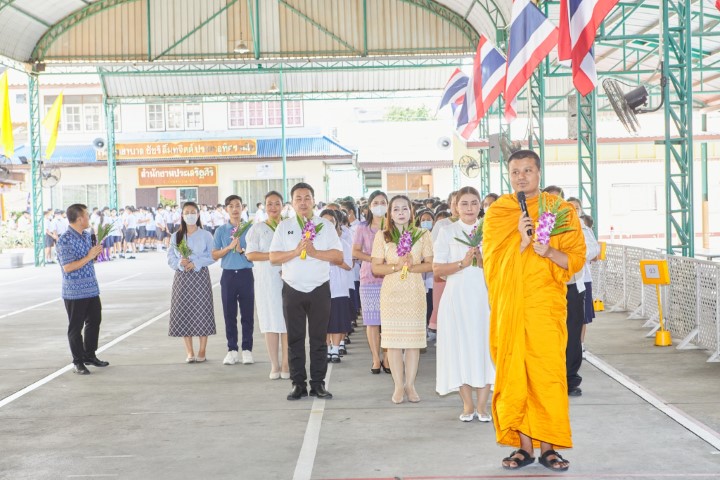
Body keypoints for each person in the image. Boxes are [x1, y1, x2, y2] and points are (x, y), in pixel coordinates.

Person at [482, 150, 586, 472]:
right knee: (516, 375)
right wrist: (521, 242)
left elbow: (575, 260)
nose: (521, 177)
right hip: (511, 308)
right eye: (515, 171)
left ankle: (549, 448)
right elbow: (491, 263)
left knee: (547, 377)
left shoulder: (560, 210)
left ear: (539, 173)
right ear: (509, 175)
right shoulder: (500, 212)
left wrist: (549, 250)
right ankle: (524, 447)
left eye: (527, 170)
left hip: (545, 308)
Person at [269, 182, 343, 401]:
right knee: (295, 339)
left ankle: (318, 384)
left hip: (319, 288)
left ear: (314, 200)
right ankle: (298, 384)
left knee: (319, 339)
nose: (303, 202)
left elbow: (338, 256)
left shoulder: (325, 226)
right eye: (298, 199)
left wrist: (314, 252)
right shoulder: (285, 227)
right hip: (292, 289)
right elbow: (273, 257)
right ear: (292, 203)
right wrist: (295, 251)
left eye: (307, 198)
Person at [433, 187, 494, 422]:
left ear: (480, 206)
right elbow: (437, 269)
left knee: (484, 346)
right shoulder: (447, 232)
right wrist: (462, 263)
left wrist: (481, 260)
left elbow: (500, 267)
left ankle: (483, 405)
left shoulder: (489, 230)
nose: (470, 208)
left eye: (474, 203)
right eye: (464, 203)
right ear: (456, 207)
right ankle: (468, 405)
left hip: (483, 297)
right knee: (459, 348)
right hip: (457, 297)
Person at [371, 195, 433, 404]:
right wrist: (396, 266)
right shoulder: (382, 236)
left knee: (413, 344)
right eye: (396, 209)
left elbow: (431, 264)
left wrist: (412, 266)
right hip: (392, 294)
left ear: (411, 212)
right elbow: (376, 267)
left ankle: (410, 385)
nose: (400, 213)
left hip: (414, 293)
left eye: (404, 208)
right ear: (390, 213)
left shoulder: (423, 234)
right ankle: (398, 386)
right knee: (394, 344)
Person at [55, 204, 107, 375]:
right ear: (79, 219)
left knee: (94, 321)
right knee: (75, 327)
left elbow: (90, 260)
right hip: (75, 292)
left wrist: (95, 255)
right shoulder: (64, 240)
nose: (88, 218)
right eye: (86, 215)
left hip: (91, 288)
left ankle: (89, 355)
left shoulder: (86, 235)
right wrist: (89, 256)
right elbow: (68, 267)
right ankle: (78, 362)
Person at [246, 191, 289, 380]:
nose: (273, 207)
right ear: (264, 206)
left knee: (287, 322)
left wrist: (285, 261)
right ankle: (274, 365)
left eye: (277, 203)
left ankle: (286, 364)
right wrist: (274, 257)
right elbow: (251, 254)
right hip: (266, 281)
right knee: (270, 322)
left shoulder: (289, 226)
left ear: (283, 206)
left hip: (288, 280)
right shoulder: (257, 228)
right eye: (269, 204)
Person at [167, 202, 217, 363]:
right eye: (187, 212)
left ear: (198, 214)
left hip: (200, 276)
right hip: (182, 278)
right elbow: (170, 257)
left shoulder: (206, 235)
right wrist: (179, 263)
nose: (190, 215)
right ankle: (189, 352)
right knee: (184, 312)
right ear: (182, 216)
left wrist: (196, 262)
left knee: (202, 311)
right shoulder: (176, 236)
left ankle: (202, 350)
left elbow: (212, 255)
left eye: (193, 212)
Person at [212, 195, 255, 366]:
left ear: (242, 207)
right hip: (228, 275)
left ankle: (247, 349)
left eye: (238, 205)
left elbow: (254, 255)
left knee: (247, 314)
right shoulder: (221, 231)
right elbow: (214, 254)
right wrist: (228, 248)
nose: (235, 209)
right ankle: (232, 350)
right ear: (226, 209)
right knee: (229, 314)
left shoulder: (250, 229)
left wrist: (241, 249)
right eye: (231, 206)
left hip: (245, 274)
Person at [352, 190, 390, 374]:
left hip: (390, 278)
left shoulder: (394, 227)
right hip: (369, 278)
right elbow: (355, 251)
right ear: (369, 207)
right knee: (372, 321)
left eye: (383, 202)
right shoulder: (362, 227)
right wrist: (374, 260)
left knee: (389, 321)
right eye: (376, 203)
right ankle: (376, 358)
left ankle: (388, 358)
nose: (379, 206)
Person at [566, 198, 601, 379]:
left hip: (577, 282)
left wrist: (572, 256)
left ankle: (571, 375)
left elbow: (594, 251)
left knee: (577, 323)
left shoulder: (581, 226)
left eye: (576, 208)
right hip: (548, 286)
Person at [321, 209, 353, 363]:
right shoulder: (315, 244)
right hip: (321, 288)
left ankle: (335, 349)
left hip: (339, 288)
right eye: (324, 221)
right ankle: (327, 349)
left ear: (336, 224)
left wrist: (333, 260)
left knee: (337, 321)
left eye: (331, 221)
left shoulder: (343, 243)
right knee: (324, 321)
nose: (328, 224)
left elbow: (349, 265)